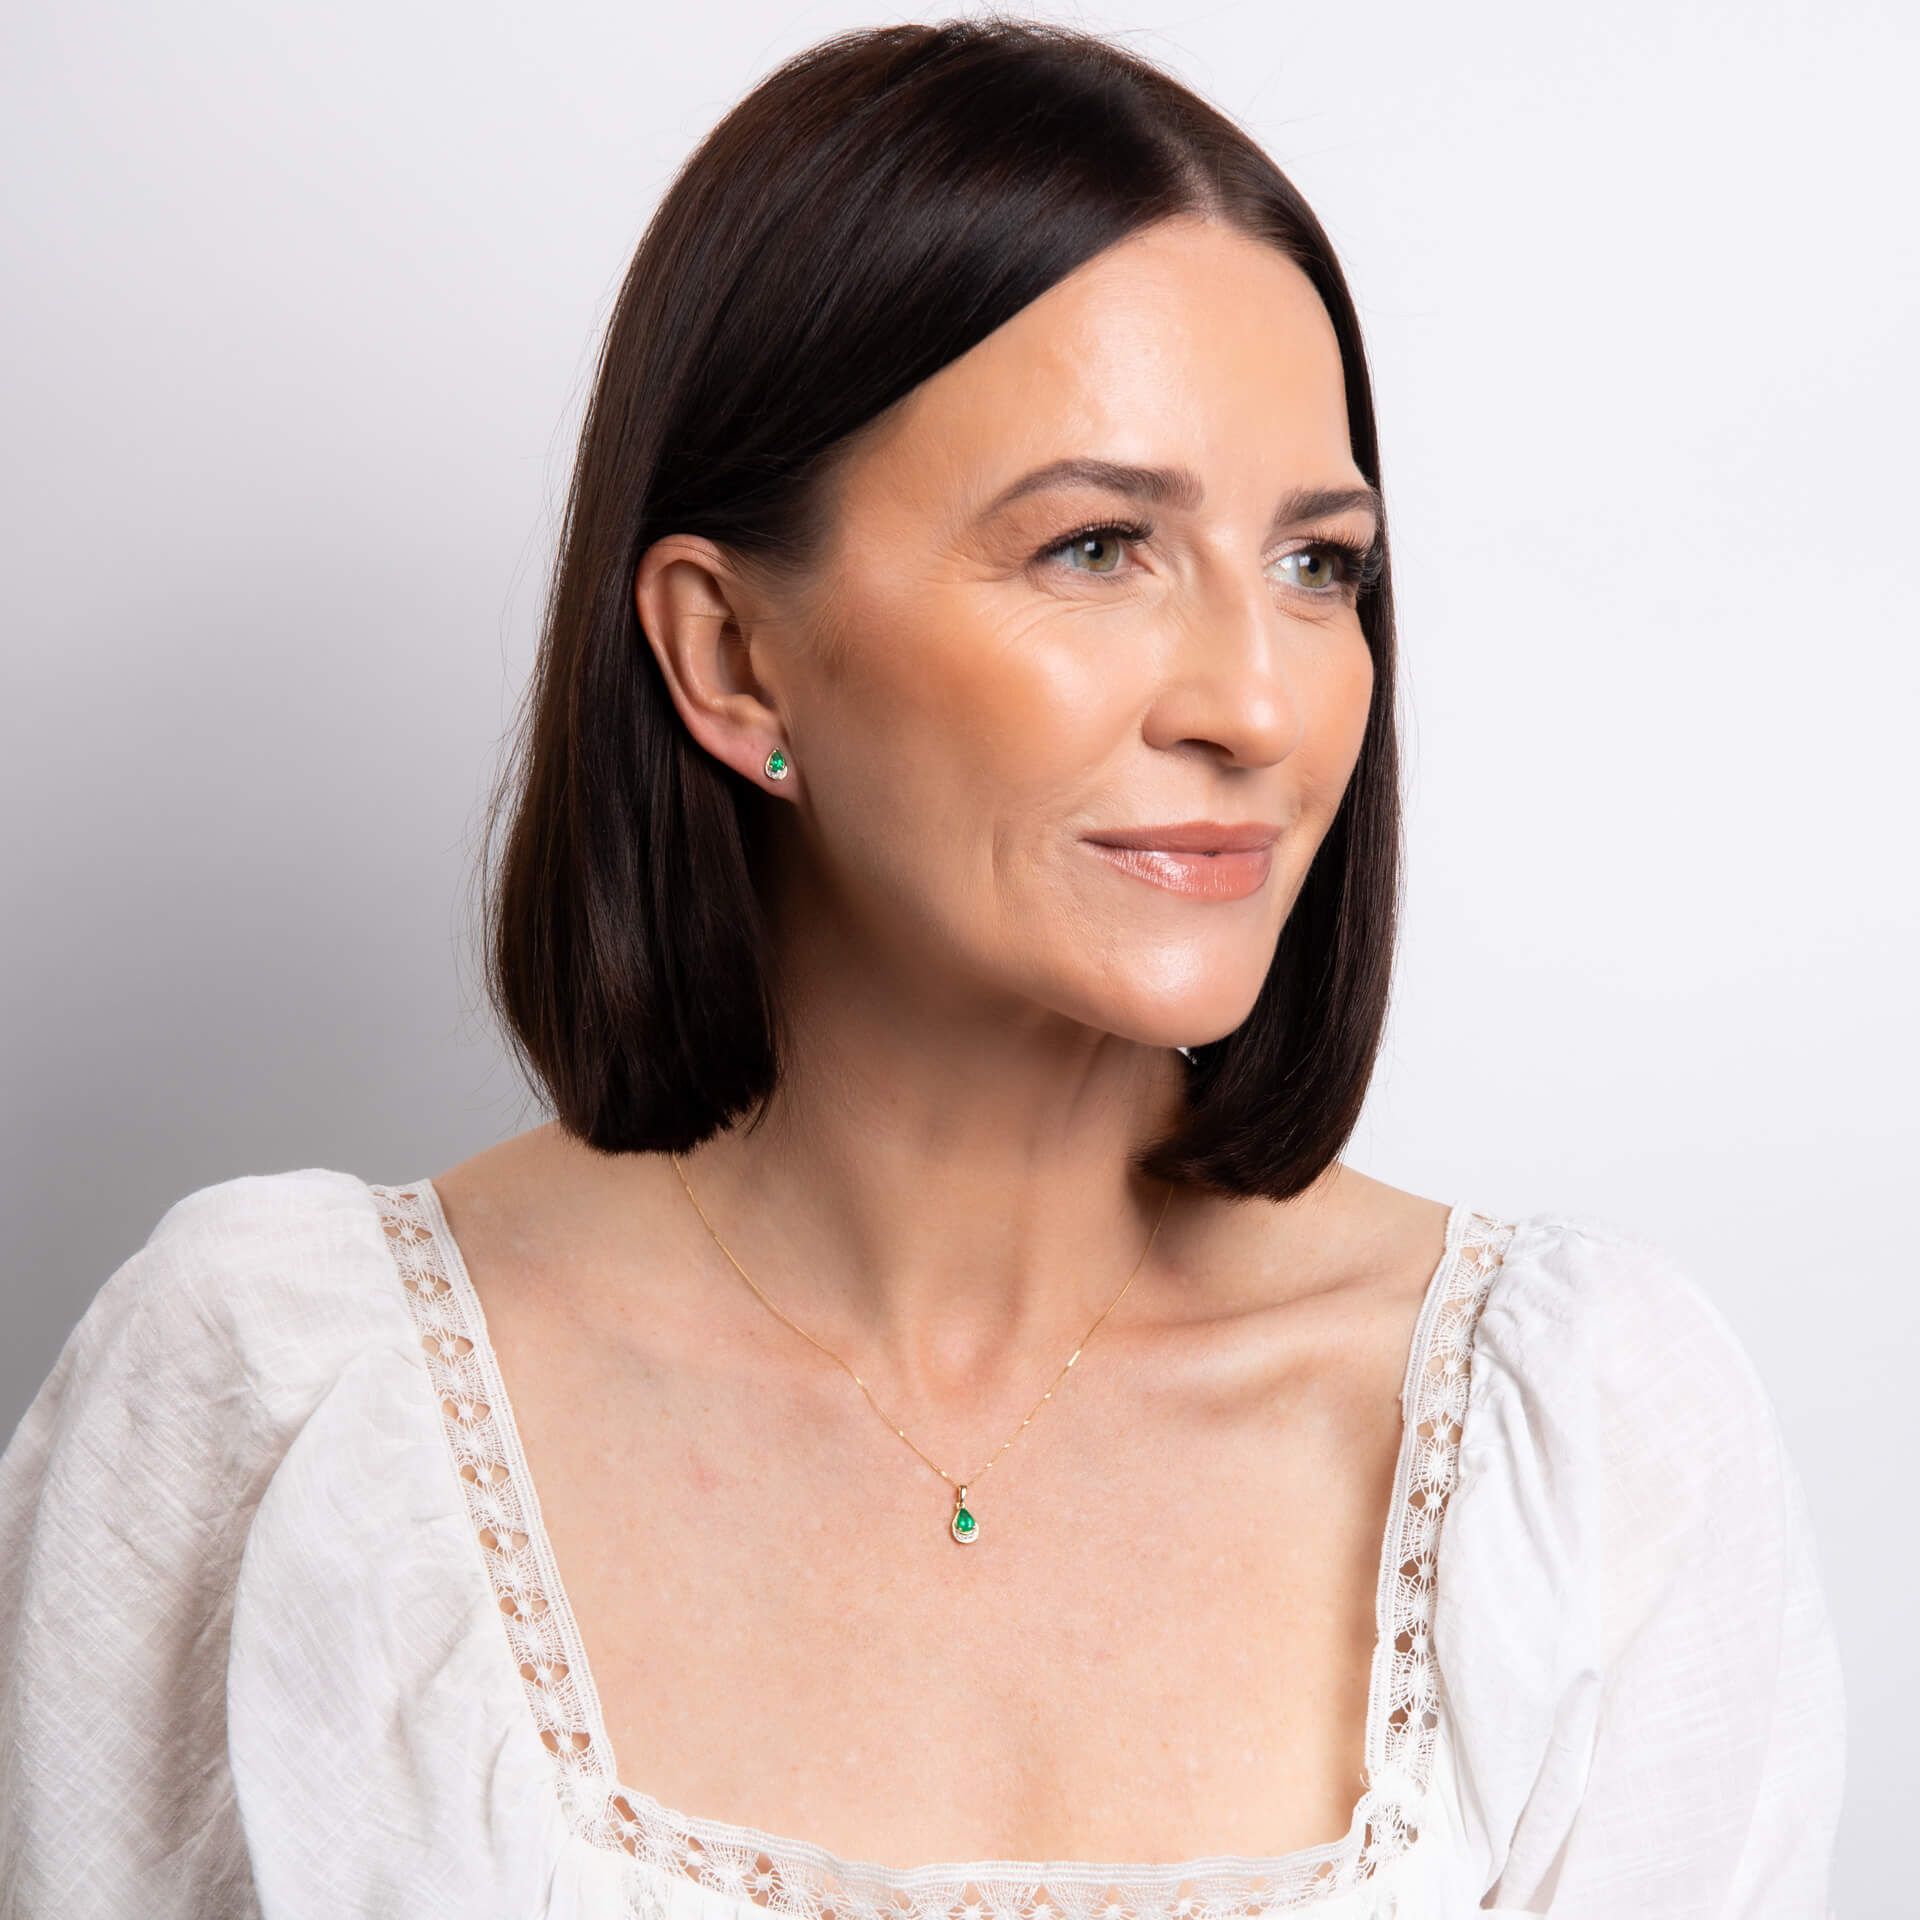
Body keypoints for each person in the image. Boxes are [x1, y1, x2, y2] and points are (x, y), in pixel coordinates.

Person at [0, 18, 1845, 1917]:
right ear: (731, 658)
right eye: (1097, 547)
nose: (1261, 705)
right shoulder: (281, 1414)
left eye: (1320, 566)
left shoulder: (1588, 1456)